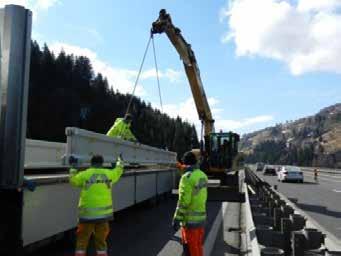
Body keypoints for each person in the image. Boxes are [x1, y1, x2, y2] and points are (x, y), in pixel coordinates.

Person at [69, 154, 124, 256]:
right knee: (101, 242)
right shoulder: (109, 174)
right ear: (102, 163)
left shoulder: (85, 174)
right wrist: (119, 161)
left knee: (82, 241)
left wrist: (73, 167)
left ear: (91, 163)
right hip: (103, 216)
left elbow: (73, 181)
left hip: (87, 215)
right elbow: (119, 170)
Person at [172, 151, 208, 256]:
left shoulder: (186, 178)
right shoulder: (202, 175)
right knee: (197, 246)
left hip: (190, 221)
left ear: (185, 163)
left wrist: (176, 218)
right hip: (201, 219)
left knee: (191, 250)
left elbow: (184, 201)